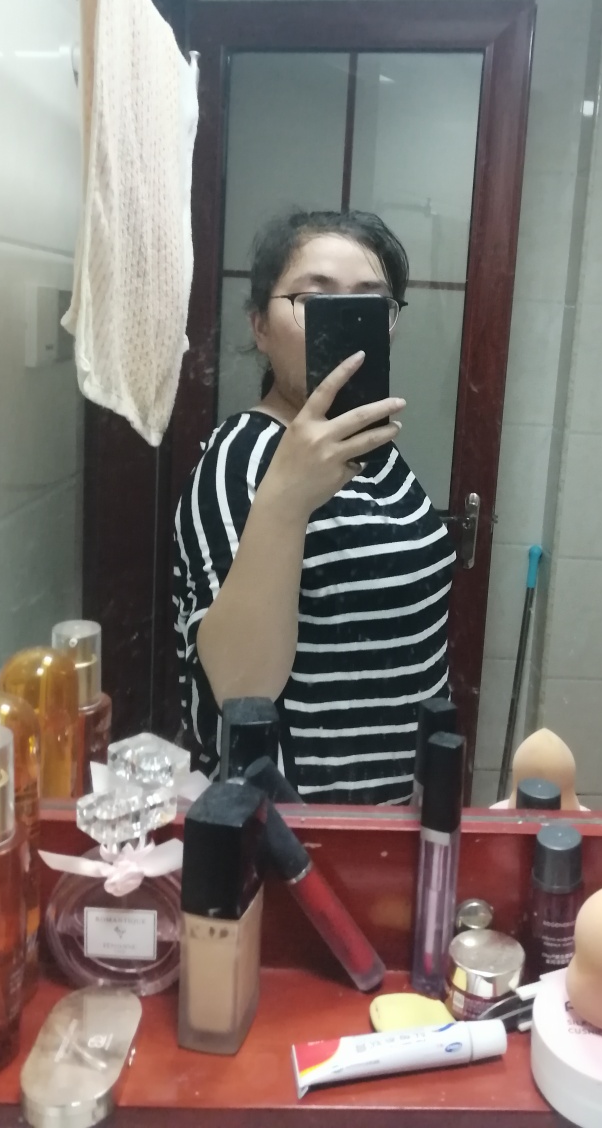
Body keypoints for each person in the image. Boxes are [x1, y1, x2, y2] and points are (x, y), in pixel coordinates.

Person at [173, 209, 456, 803]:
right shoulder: (244, 456)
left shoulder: (372, 449)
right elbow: (240, 687)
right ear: (259, 325)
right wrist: (287, 495)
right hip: (293, 827)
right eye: (313, 300)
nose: (344, 319)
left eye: (370, 303)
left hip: (393, 815)